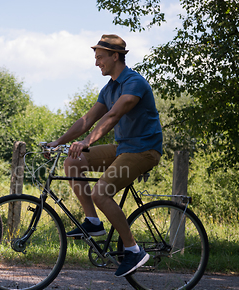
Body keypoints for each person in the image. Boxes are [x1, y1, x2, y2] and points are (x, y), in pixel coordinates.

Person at [47, 34, 163, 277]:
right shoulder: (109, 89)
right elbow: (87, 120)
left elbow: (113, 116)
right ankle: (93, 222)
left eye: (100, 57)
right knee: (73, 160)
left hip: (144, 150)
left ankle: (133, 250)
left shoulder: (134, 83)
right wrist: (58, 142)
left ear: (115, 56)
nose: (96, 62)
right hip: (122, 148)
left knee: (101, 192)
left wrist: (87, 142)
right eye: (96, 58)